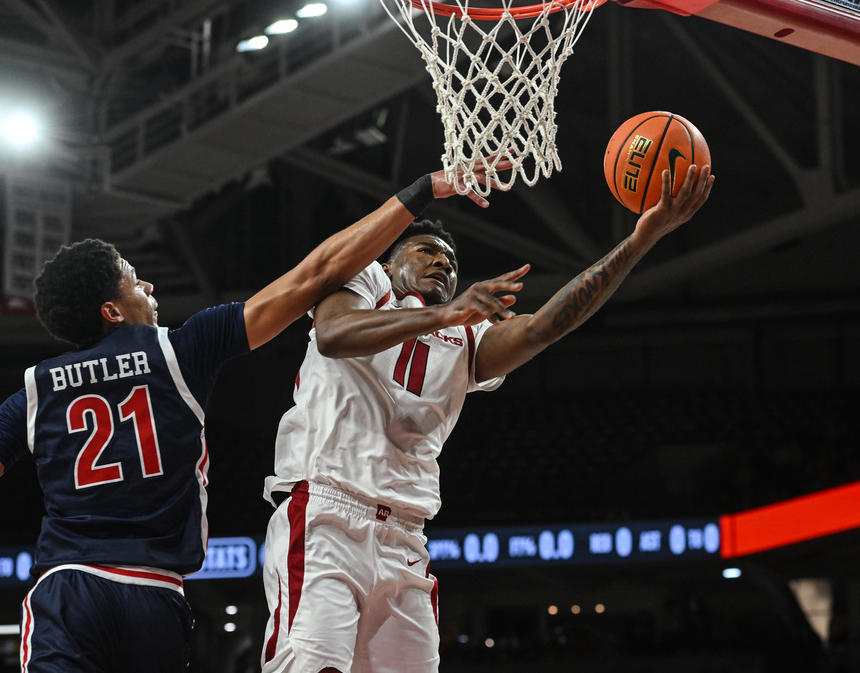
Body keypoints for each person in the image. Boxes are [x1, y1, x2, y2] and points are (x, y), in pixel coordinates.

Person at [0, 160, 511, 673]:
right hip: (156, 598)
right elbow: (318, 273)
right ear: (111, 310)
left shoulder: (34, 394)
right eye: (133, 280)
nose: (149, 286)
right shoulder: (183, 350)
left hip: (70, 589)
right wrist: (422, 191)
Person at [260, 165, 715, 673]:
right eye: (426, 250)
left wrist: (639, 241)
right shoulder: (366, 281)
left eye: (451, 260)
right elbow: (335, 335)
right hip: (326, 513)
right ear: (389, 264)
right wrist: (447, 313)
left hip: (406, 538)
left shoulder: (467, 338)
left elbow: (544, 328)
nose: (442, 263)